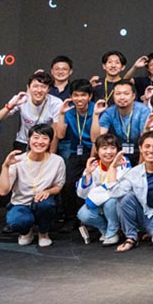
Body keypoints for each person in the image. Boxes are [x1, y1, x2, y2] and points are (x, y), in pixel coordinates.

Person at [0, 124, 66, 247]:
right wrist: (5, 166)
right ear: (29, 140)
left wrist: (48, 191)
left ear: (50, 142)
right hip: (21, 203)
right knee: (17, 221)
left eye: (45, 138)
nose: (40, 142)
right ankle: (26, 232)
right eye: (36, 137)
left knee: (47, 205)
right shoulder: (18, 160)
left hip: (42, 201)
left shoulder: (57, 161)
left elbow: (58, 186)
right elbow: (3, 191)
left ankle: (43, 233)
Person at [75, 133, 130, 246]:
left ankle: (113, 231)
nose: (108, 152)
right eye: (104, 148)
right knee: (83, 214)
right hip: (98, 202)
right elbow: (82, 194)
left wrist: (93, 197)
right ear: (97, 150)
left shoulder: (123, 161)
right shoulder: (94, 165)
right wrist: (88, 175)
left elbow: (115, 189)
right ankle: (105, 230)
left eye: (112, 148)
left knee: (111, 201)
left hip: (117, 201)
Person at [53, 79, 94, 225]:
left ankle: (90, 219)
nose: (79, 99)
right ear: (71, 96)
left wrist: (92, 159)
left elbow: (97, 139)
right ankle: (71, 218)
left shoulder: (96, 110)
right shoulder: (68, 111)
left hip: (93, 151)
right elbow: (60, 135)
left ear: (90, 96)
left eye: (83, 95)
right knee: (69, 183)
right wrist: (61, 114)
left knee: (90, 183)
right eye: (76, 95)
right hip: (75, 151)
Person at [0, 71, 63, 152]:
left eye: (43, 87)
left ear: (48, 89)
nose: (39, 90)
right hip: (24, 142)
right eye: (35, 86)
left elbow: (55, 134)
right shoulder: (21, 99)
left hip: (43, 144)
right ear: (28, 87)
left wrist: (51, 156)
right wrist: (11, 105)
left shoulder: (56, 103)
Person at [91, 79, 152, 162]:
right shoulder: (109, 112)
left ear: (133, 96)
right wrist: (96, 115)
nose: (122, 97)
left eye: (126, 94)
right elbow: (97, 140)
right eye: (118, 94)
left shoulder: (143, 111)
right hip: (117, 153)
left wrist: (140, 167)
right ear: (113, 96)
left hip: (140, 152)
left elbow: (145, 142)